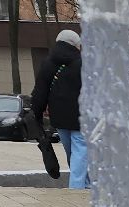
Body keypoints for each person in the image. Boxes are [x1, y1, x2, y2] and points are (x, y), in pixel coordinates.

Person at [32, 29, 85, 189]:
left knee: (73, 153)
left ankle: (85, 183)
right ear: (76, 45)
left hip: (59, 118)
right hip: (81, 117)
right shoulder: (83, 63)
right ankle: (77, 188)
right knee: (80, 153)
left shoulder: (48, 63)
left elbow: (40, 91)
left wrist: (37, 114)